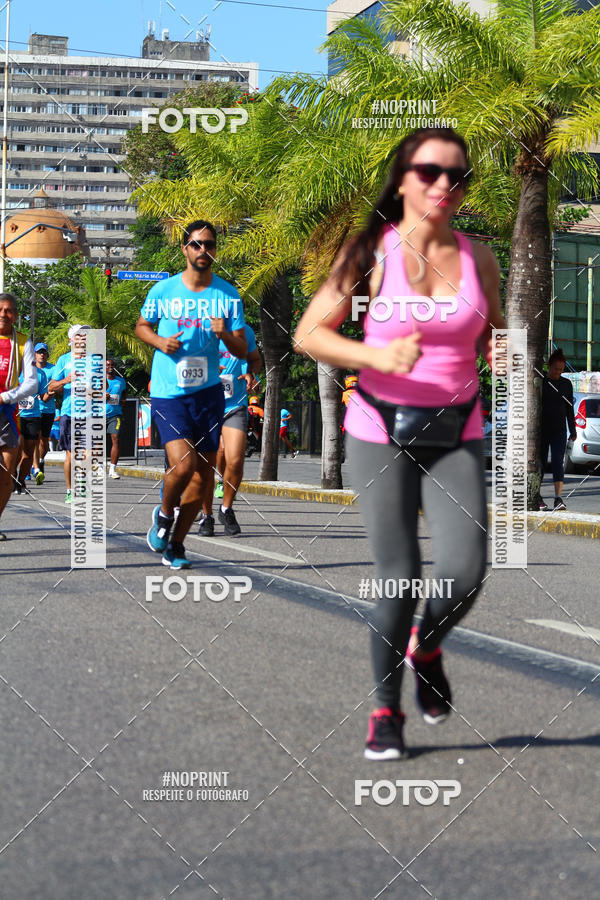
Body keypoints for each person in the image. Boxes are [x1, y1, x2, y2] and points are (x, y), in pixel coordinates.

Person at [294, 127, 505, 760]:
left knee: (466, 569)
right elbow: (309, 333)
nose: (444, 184)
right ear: (403, 177)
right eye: (429, 171)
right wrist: (375, 353)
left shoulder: (480, 259)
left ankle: (428, 646)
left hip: (458, 427)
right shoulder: (370, 252)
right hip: (379, 428)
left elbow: (492, 329)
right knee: (398, 577)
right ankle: (385, 709)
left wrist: (495, 347)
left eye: (457, 176)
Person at [136, 219, 247, 569]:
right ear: (185, 249)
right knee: (182, 466)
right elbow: (142, 326)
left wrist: (226, 334)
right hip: (170, 392)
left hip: (209, 395)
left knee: (201, 481)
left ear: (215, 250)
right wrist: (159, 341)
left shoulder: (228, 295)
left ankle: (177, 546)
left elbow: (243, 349)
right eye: (196, 244)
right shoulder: (164, 291)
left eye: (209, 245)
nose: (203, 251)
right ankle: (164, 514)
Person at [198, 323, 262, 536]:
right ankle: (206, 517)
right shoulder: (198, 329)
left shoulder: (245, 331)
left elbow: (254, 362)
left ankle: (226, 508)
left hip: (234, 406)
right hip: (206, 406)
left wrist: (252, 378)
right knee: (207, 464)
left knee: (235, 459)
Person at [0, 293, 37, 539]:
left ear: (15, 315)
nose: (4, 314)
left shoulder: (23, 342)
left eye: (9, 310)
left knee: (5, 472)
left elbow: (32, 382)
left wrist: (5, 397)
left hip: (6, 411)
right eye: (1, 309)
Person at [48, 323, 91, 503]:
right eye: (80, 335)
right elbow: (51, 387)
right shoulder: (64, 361)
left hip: (89, 413)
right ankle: (70, 490)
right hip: (69, 412)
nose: (84, 338)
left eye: (86, 335)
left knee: (88, 453)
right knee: (71, 454)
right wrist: (66, 379)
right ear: (71, 340)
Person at [539, 348, 576, 511]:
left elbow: (569, 409)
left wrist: (572, 430)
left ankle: (558, 498)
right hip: (541, 430)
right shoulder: (541, 381)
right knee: (539, 464)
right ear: (549, 366)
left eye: (561, 370)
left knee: (557, 464)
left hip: (559, 430)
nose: (558, 372)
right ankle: (537, 497)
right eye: (555, 369)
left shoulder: (566, 384)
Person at [14, 354, 54, 492]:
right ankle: (13, 478)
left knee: (29, 452)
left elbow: (43, 397)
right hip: (16, 416)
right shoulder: (15, 371)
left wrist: (50, 393)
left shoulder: (41, 374)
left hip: (33, 416)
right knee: (16, 451)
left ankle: (20, 482)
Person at [32, 343, 56, 481]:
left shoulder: (53, 369)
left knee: (44, 442)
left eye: (44, 352)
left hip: (48, 409)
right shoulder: (30, 369)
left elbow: (56, 386)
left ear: (47, 354)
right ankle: (34, 466)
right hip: (33, 409)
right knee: (34, 439)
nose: (41, 354)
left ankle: (40, 460)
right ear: (35, 354)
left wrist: (49, 394)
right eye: (39, 352)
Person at [105, 357, 127, 479]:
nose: (110, 367)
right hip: (98, 415)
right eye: (108, 365)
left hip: (115, 414)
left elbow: (124, 392)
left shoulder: (120, 381)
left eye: (112, 365)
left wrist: (123, 399)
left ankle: (112, 469)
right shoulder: (98, 381)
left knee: (116, 438)